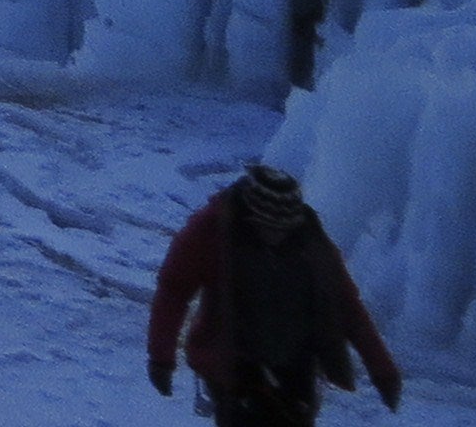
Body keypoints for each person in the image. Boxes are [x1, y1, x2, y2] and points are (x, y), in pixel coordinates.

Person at [149, 164, 402, 420]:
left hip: (296, 362)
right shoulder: (211, 229)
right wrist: (161, 358)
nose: (277, 235)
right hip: (234, 365)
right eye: (268, 227)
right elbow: (174, 291)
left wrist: (382, 371)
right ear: (251, 216)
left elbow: (346, 304)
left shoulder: (309, 238)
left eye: (284, 229)